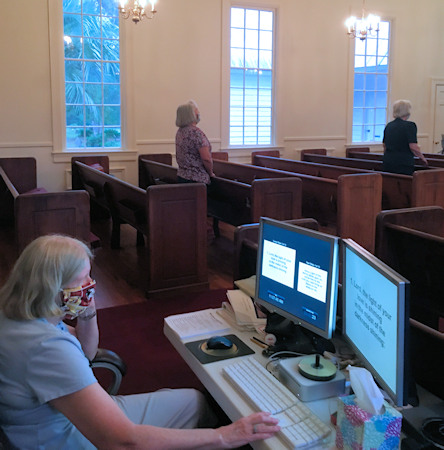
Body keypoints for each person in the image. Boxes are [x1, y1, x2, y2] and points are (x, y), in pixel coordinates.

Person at [0, 234, 279, 449]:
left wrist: (87, 313)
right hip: (64, 437)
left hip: (54, 417)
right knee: (204, 418)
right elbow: (123, 441)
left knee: (194, 402)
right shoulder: (47, 349)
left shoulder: (21, 311)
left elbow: (86, 352)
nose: (90, 285)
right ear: (54, 289)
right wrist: (225, 436)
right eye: (83, 280)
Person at [382, 99, 428, 175]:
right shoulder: (410, 126)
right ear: (407, 111)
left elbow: (384, 145)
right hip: (403, 163)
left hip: (388, 162)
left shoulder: (389, 125)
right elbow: (413, 146)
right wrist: (422, 158)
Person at [175, 100, 215, 184]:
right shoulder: (196, 133)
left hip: (182, 177)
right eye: (197, 112)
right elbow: (206, 159)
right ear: (191, 115)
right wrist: (211, 173)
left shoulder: (180, 132)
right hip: (197, 180)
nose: (198, 114)